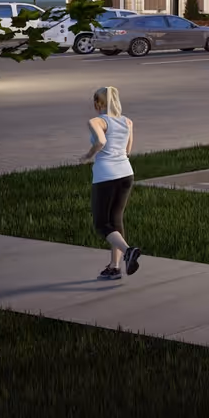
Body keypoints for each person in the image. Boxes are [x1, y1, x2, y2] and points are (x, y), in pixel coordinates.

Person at [81, 86, 142, 281]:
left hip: (106, 175)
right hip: (126, 173)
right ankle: (115, 267)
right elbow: (128, 150)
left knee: (101, 223)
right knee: (115, 220)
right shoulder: (127, 121)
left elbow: (100, 141)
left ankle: (128, 251)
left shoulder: (97, 121)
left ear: (99, 103)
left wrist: (88, 155)